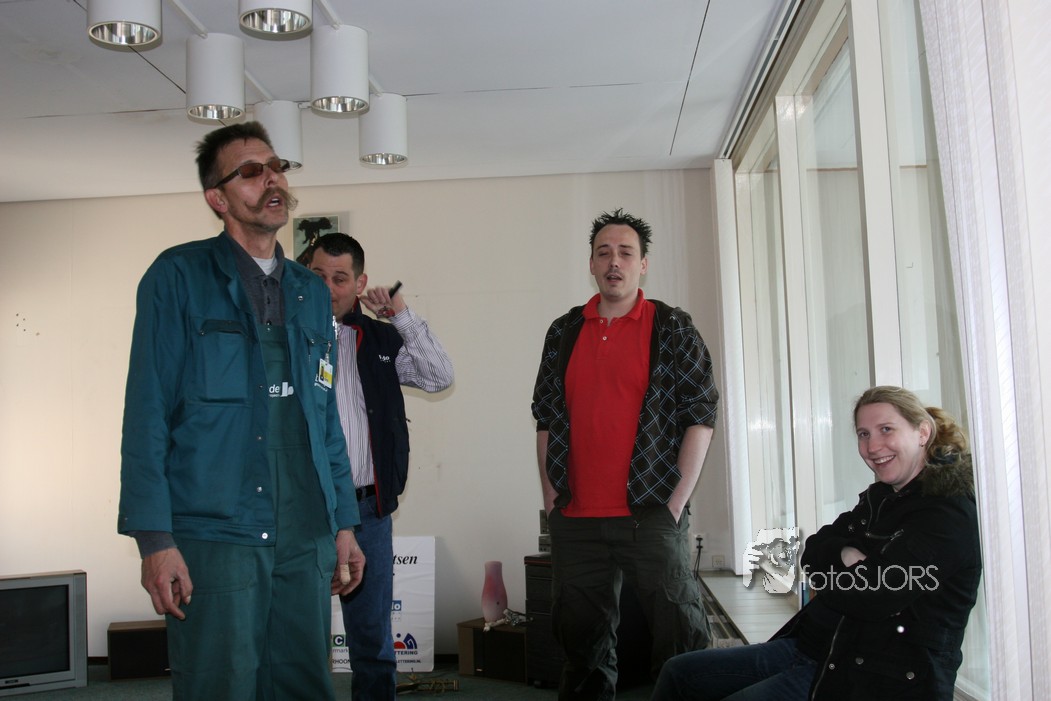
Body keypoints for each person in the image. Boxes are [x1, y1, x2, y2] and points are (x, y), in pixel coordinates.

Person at [118, 122, 365, 701]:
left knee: (305, 684)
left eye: (276, 167)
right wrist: (154, 540)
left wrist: (343, 524)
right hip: (216, 532)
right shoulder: (177, 277)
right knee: (220, 683)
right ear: (218, 198)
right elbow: (146, 414)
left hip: (304, 530)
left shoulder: (309, 291)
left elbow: (325, 420)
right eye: (251, 172)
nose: (271, 180)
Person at [652, 386, 982, 701]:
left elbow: (872, 595)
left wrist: (841, 570)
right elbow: (813, 550)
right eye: (863, 434)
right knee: (679, 673)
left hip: (871, 672)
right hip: (816, 646)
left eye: (886, 429)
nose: (872, 446)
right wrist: (845, 554)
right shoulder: (881, 497)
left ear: (922, 432)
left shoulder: (946, 514)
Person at [531, 208, 720, 700]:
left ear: (643, 264)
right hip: (577, 519)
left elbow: (701, 414)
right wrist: (552, 500)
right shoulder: (563, 331)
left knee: (682, 639)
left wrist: (676, 502)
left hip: (651, 511)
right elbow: (546, 417)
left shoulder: (672, 328)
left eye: (625, 253)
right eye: (604, 253)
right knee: (581, 650)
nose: (614, 262)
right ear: (592, 265)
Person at [306, 233, 454, 701]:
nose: (328, 288)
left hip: (367, 510)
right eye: (317, 276)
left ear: (360, 283)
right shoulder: (288, 339)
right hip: (303, 512)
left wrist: (400, 315)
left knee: (371, 638)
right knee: (297, 639)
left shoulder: (380, 339)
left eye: (340, 278)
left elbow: (439, 376)